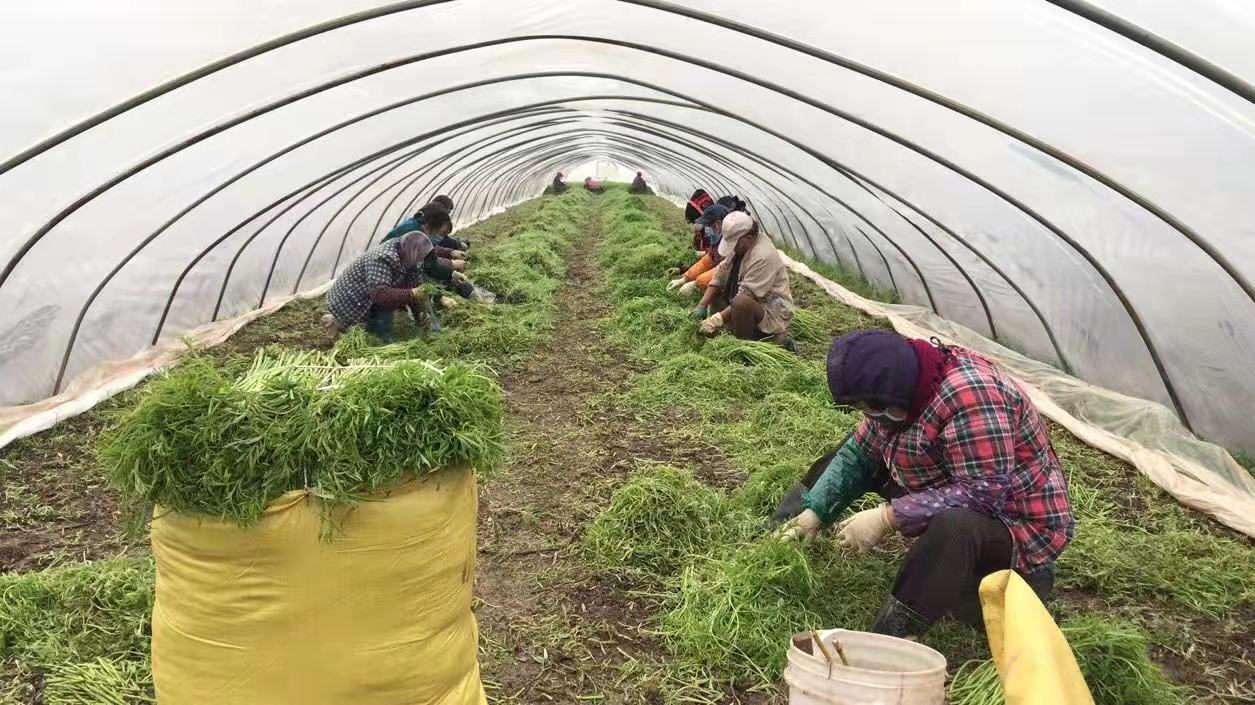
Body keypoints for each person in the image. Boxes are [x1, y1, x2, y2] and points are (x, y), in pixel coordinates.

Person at [782, 330, 1075, 638]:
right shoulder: (903, 388)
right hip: (951, 484)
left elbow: (984, 494)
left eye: (869, 407)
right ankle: (787, 528)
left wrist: (888, 517)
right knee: (858, 452)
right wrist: (816, 510)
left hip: (1015, 525)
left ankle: (892, 636)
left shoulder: (971, 398)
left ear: (890, 395)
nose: (868, 415)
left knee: (955, 525)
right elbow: (860, 452)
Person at [693, 212, 795, 349]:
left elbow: (746, 294)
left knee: (740, 304)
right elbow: (721, 273)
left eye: (735, 243)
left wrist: (716, 320)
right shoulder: (740, 247)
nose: (733, 247)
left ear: (748, 236)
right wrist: (702, 304)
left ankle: (748, 344)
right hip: (750, 299)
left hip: (771, 310)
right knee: (715, 291)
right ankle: (730, 328)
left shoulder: (762, 256)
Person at [321, 232, 439, 342]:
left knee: (379, 325)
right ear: (413, 251)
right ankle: (333, 322)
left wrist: (420, 313)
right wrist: (412, 293)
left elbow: (415, 286)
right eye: (420, 259)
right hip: (351, 298)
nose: (420, 263)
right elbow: (380, 294)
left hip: (373, 298)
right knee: (352, 329)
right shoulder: (383, 257)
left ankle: (376, 333)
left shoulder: (411, 257)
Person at [667, 203, 729, 295]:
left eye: (707, 225)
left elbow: (723, 271)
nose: (706, 229)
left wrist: (696, 284)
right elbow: (707, 261)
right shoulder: (717, 240)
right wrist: (685, 278)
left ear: (718, 224)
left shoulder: (731, 243)